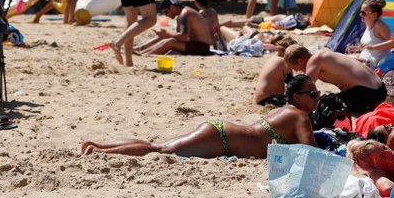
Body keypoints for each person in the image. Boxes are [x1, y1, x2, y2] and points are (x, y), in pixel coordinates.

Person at [80, 74, 319, 158]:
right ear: (297, 96)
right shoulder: (300, 116)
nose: (317, 98)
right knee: (160, 150)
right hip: (223, 138)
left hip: (222, 133)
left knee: (159, 147)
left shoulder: (286, 110)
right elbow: (312, 152)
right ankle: (99, 151)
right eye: (313, 94)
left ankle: (98, 145)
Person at [284, 45, 386, 115]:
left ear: (300, 61)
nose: (297, 71)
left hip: (366, 93)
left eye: (295, 68)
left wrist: (288, 106)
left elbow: (304, 88)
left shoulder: (314, 61)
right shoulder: (324, 53)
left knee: (325, 105)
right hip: (381, 89)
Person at [136, 0, 214, 56]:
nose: (166, 15)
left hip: (201, 48)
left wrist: (167, 34)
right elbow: (179, 35)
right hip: (195, 44)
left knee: (170, 41)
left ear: (172, 7)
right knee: (166, 37)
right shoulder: (182, 13)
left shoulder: (185, 14)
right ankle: (139, 49)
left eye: (166, 12)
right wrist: (166, 35)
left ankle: (144, 54)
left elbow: (183, 36)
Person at [345, 0, 394, 68]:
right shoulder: (368, 25)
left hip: (373, 64)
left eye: (363, 13)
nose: (360, 15)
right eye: (360, 12)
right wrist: (357, 48)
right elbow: (370, 45)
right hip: (364, 59)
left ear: (374, 14)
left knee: (342, 60)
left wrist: (373, 47)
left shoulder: (379, 25)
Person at [254, 37, 297, 106]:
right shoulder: (283, 62)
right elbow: (291, 83)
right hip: (270, 99)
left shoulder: (272, 58)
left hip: (261, 98)